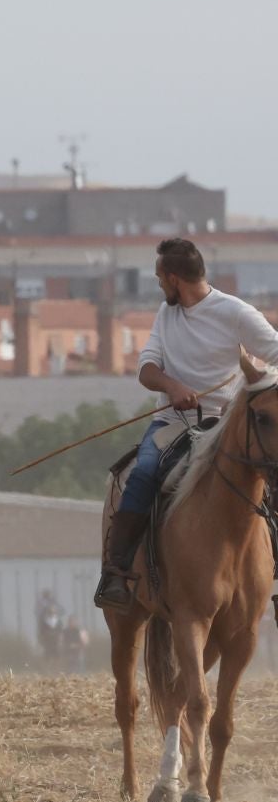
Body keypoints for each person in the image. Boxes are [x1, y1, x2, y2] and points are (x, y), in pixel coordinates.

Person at [96, 238, 278, 608]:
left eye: (160, 277)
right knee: (143, 472)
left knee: (272, 476)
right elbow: (147, 369)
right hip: (172, 423)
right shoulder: (167, 314)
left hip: (228, 427)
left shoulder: (237, 313)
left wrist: (258, 386)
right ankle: (116, 573)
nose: (159, 284)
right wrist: (171, 385)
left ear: (174, 277)